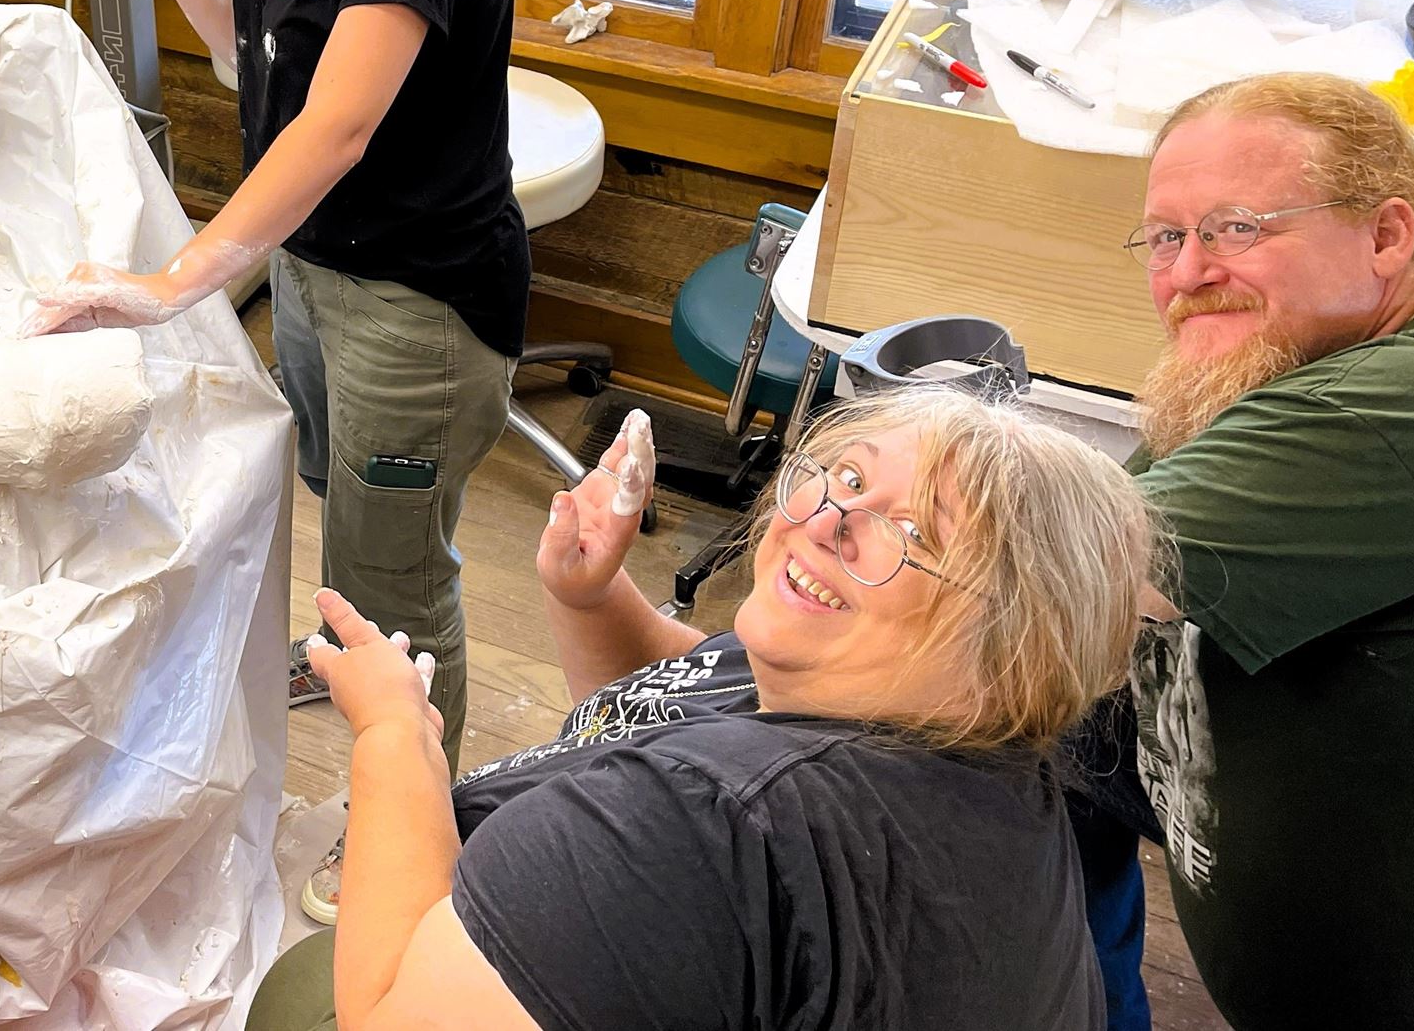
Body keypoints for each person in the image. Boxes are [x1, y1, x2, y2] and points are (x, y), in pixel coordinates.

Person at [28, 0, 525, 785]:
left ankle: (417, 822)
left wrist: (173, 283)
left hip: (413, 300)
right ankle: (347, 649)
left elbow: (333, 128)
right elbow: (249, 49)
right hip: (312, 264)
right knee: (342, 508)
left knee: (398, 583)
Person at [247, 387, 1159, 1031]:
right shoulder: (969, 742)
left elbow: (390, 1020)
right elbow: (690, 692)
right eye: (849, 477)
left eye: (914, 533)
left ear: (1010, 648)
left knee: (301, 997)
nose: (828, 520)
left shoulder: (697, 831)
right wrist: (591, 599)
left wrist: (394, 736)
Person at [1074, 71, 1414, 1031]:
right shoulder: (1259, 376)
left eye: (1235, 228)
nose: (1187, 273)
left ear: (1387, 237)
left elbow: (1047, 572)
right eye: (1166, 237)